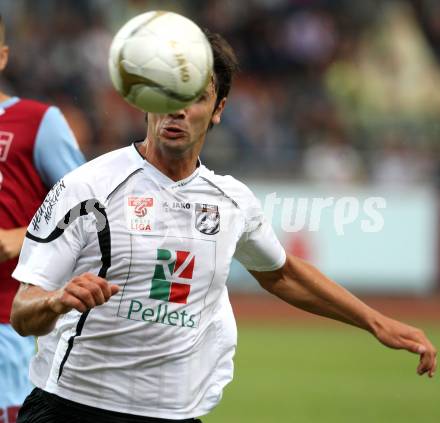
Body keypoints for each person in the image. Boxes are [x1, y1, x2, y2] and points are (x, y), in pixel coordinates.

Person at [10, 28, 436, 423]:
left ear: (218, 110)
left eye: (194, 96)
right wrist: (56, 300)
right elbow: (23, 310)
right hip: (72, 407)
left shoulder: (231, 201)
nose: (177, 108)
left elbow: (283, 273)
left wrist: (375, 322)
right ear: (145, 100)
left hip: (174, 414)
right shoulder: (87, 187)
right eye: (166, 92)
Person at [0, 14, 85, 423]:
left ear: (2, 58)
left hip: (6, 319)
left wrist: (22, 236)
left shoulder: (38, 122)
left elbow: (87, 208)